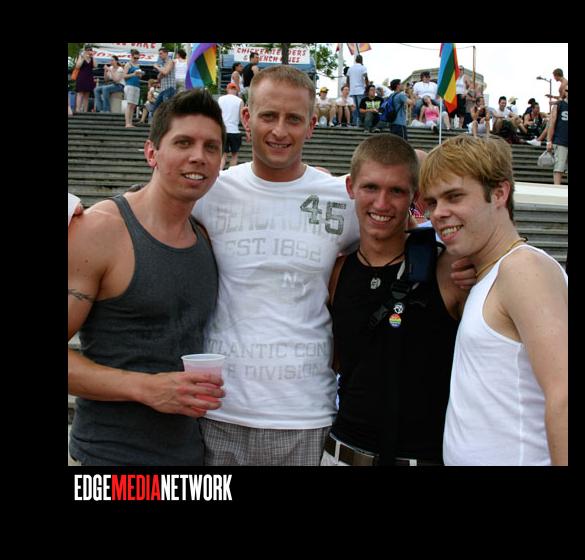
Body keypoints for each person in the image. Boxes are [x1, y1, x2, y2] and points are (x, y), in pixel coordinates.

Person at [191, 65, 361, 466]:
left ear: (312, 126)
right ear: (246, 118)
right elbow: (142, 212)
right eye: (268, 116)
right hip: (218, 411)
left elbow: (407, 222)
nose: (279, 131)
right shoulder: (210, 191)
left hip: (305, 414)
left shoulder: (341, 198)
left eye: (293, 119)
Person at [68, 89, 227, 466]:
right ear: (152, 152)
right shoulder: (100, 229)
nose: (198, 156)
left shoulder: (204, 237)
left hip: (190, 458)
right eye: (183, 142)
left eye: (211, 147)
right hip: (110, 461)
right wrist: (147, 388)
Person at [419, 135, 568, 466]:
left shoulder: (523, 268)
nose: (439, 213)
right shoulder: (491, 273)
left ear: (499, 193)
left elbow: (564, 394)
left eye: (454, 196)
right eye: (432, 202)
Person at [321, 134, 468, 466]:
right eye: (371, 187)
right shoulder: (337, 271)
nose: (382, 203)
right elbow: (338, 360)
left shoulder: (449, 270)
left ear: (414, 197)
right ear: (350, 187)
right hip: (342, 452)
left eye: (396, 191)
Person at [218, 82, 244, 169]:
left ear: (227, 89)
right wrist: (247, 131)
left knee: (223, 156)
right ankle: (232, 173)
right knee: (234, 155)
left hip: (223, 130)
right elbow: (242, 117)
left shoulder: (220, 99)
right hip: (235, 131)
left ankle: (219, 173)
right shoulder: (240, 101)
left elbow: (218, 115)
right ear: (236, 90)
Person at [547, 85, 568, 185]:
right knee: (559, 168)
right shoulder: (559, 105)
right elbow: (552, 123)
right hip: (561, 141)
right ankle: (556, 189)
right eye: (567, 90)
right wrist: (549, 141)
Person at [122, 49, 144, 128]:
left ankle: (130, 122)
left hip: (136, 85)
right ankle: (127, 123)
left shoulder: (138, 65)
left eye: (138, 58)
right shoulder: (128, 64)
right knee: (129, 104)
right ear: (131, 56)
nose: (136, 59)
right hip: (130, 85)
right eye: (135, 58)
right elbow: (124, 76)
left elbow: (139, 76)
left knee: (133, 105)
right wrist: (133, 74)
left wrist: (140, 75)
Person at [346, 54, 369, 126]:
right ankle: (361, 123)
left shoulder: (350, 68)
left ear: (355, 60)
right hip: (361, 90)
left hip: (352, 91)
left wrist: (348, 88)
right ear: (362, 60)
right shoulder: (363, 68)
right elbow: (366, 78)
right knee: (361, 108)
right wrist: (367, 87)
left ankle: (355, 123)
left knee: (354, 108)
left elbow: (347, 79)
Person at [74, 46, 96, 113]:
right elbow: (77, 66)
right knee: (80, 93)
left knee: (87, 94)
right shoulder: (81, 56)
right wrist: (83, 57)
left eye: (90, 50)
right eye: (88, 50)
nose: (89, 51)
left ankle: (85, 111)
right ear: (85, 51)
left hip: (89, 77)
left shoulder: (91, 58)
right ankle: (78, 109)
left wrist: (93, 56)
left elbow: (95, 66)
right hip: (81, 77)